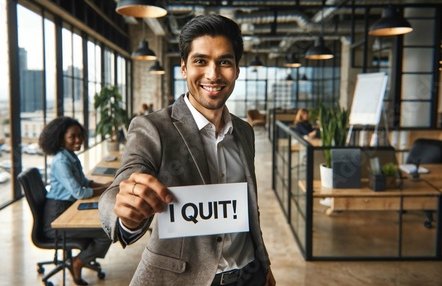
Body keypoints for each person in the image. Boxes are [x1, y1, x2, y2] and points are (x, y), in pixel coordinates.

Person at [98, 14, 276, 286]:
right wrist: (126, 212)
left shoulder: (244, 131)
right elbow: (123, 183)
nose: (213, 74)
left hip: (248, 274)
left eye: (224, 62)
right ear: (183, 68)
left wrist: (264, 265)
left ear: (237, 70)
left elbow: (249, 208)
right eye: (200, 61)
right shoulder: (152, 128)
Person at [38, 116, 112, 286]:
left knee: (104, 221)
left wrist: (108, 184)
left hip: (66, 209)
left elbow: (84, 182)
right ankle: (78, 262)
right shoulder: (61, 161)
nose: (78, 140)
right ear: (61, 139)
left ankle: (81, 259)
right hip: (56, 219)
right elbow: (79, 192)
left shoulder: (70, 155)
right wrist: (106, 188)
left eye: (80, 135)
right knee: (106, 231)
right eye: (72, 136)